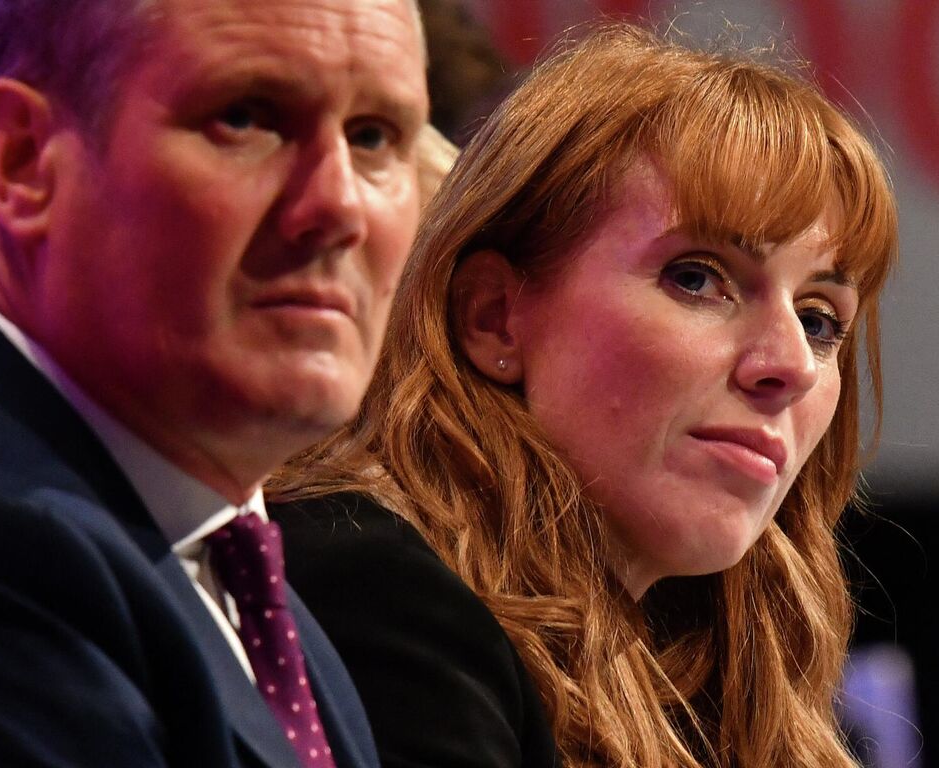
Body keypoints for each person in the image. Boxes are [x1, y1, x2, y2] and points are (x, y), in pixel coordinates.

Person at [0, 0, 430, 764]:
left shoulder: (236, 578)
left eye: (373, 137)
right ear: (22, 161)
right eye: (247, 117)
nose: (337, 206)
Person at [273, 22, 900, 767]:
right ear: (493, 316)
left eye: (820, 320)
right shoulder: (378, 588)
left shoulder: (709, 666)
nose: (789, 364)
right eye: (697, 278)